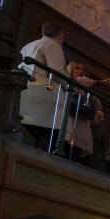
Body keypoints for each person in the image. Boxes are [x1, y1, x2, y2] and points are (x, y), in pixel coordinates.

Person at [18, 22, 67, 150]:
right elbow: (57, 72)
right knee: (48, 139)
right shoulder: (53, 45)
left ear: (43, 33)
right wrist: (72, 86)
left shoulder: (28, 45)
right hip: (43, 99)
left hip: (24, 91)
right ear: (60, 37)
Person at [63, 60, 106, 167]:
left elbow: (94, 117)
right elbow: (81, 80)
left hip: (82, 129)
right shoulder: (67, 83)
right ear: (70, 69)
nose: (81, 72)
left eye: (84, 70)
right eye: (77, 68)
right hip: (68, 125)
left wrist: (97, 117)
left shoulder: (87, 94)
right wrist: (100, 82)